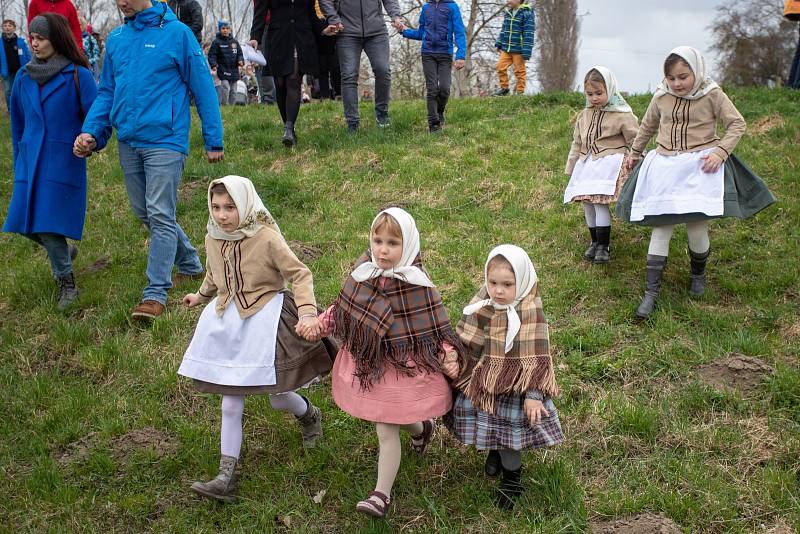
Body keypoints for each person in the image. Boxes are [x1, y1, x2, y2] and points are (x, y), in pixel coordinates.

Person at [179, 176, 335, 503]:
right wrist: (201, 294)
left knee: (278, 397)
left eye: (230, 207)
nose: (222, 215)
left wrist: (307, 313)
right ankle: (226, 477)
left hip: (264, 320)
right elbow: (214, 270)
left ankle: (309, 414)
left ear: (246, 204)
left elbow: (300, 274)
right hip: (226, 322)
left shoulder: (266, 238)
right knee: (230, 402)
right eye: (216, 207)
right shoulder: (213, 236)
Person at [310, 208, 466, 518]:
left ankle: (381, 494)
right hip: (372, 362)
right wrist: (321, 324)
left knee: (385, 426)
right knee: (389, 418)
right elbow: (343, 309)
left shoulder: (418, 283)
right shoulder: (362, 272)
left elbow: (435, 327)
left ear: (407, 246)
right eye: (378, 240)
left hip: (404, 366)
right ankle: (422, 428)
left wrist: (449, 354)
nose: (383, 249)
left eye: (393, 243)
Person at [74, 0, 224, 320]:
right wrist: (91, 131)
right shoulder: (116, 39)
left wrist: (214, 139)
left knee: (159, 211)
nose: (121, 2)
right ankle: (190, 262)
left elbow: (203, 88)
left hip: (165, 140)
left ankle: (155, 292)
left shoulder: (178, 34)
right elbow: (106, 92)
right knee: (146, 211)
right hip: (129, 140)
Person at [617, 46, 776, 319]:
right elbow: (647, 126)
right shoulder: (661, 97)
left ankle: (698, 275)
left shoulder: (712, 94)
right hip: (665, 165)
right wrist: (634, 153)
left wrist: (720, 152)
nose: (677, 83)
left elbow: (737, 124)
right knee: (661, 227)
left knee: (696, 226)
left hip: (700, 166)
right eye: (672, 78)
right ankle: (651, 293)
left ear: (697, 71)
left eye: (683, 76)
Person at [443, 245, 563, 510]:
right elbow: (465, 341)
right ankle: (493, 451)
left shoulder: (530, 311)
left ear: (521, 282)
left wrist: (533, 396)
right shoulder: (483, 305)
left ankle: (512, 478)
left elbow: (537, 360)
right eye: (493, 282)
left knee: (509, 438)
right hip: (486, 386)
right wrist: (454, 358)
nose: (498, 290)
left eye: (507, 284)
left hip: (515, 393)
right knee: (488, 428)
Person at [3, 14, 97, 311]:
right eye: (31, 37)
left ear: (56, 39)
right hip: (30, 159)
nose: (34, 42)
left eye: (40, 38)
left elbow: (96, 117)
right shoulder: (22, 77)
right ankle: (64, 252)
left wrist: (92, 139)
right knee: (23, 223)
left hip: (61, 158)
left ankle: (67, 283)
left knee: (47, 223)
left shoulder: (78, 75)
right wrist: (20, 159)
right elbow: (18, 124)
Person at [564, 67, 639, 263]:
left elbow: (635, 139)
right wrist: (571, 165)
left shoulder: (622, 114)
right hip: (587, 163)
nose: (594, 98)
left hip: (609, 162)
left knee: (599, 202)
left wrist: (637, 159)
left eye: (599, 93)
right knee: (587, 204)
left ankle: (604, 246)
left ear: (610, 90)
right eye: (590, 94)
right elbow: (577, 142)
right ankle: (594, 242)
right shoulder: (585, 115)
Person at [318, 0, 405, 133]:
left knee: (383, 70)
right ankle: (352, 123)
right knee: (348, 75)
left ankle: (382, 115)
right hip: (346, 31)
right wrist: (333, 18)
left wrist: (395, 15)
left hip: (377, 31)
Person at [249, 0, 325, 147]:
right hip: (278, 38)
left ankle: (289, 128)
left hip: (301, 37)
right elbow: (260, 13)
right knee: (280, 83)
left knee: (293, 79)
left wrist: (324, 28)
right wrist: (255, 37)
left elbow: (311, 14)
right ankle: (289, 128)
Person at [401, 0, 466, 133]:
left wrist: (460, 55)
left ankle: (440, 111)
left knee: (444, 89)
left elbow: (459, 32)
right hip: (428, 54)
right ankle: (434, 124)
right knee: (432, 89)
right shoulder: (426, 8)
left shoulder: (452, 7)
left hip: (445, 54)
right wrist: (404, 31)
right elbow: (421, 33)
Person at [492, 0, 533, 96]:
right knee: (500, 66)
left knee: (519, 71)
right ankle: (504, 88)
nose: (508, 1)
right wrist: (499, 43)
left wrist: (527, 50)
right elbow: (504, 29)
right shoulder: (508, 13)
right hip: (506, 48)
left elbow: (529, 34)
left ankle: (520, 92)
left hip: (519, 49)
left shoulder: (526, 14)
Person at [208, 20, 244, 106]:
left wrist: (240, 60)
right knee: (225, 87)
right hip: (222, 69)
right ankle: (224, 106)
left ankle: (231, 107)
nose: (225, 30)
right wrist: (213, 64)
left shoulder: (234, 42)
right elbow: (212, 55)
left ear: (230, 30)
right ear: (220, 29)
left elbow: (240, 53)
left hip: (234, 70)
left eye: (227, 28)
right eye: (223, 28)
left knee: (234, 90)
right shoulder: (216, 42)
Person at [1, 19, 31, 111]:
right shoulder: (0, 43)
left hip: (20, 71)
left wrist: (29, 66)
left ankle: (22, 108)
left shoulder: (21, 41)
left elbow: (27, 55)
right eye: (5, 26)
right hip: (6, 72)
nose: (7, 27)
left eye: (10, 26)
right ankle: (11, 110)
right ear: (3, 28)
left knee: (21, 90)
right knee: (8, 91)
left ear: (14, 28)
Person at [313, 0, 340, 100]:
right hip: (319, 28)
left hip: (334, 24)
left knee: (336, 66)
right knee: (322, 67)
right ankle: (325, 96)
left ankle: (338, 93)